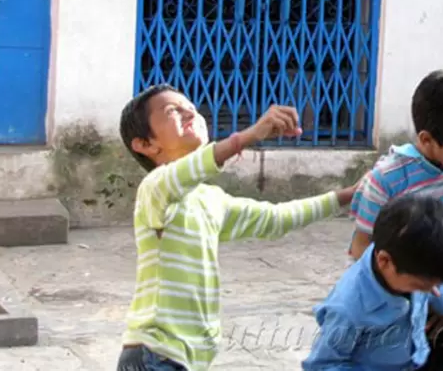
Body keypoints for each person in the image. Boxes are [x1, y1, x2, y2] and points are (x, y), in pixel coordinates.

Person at [115, 84, 358, 371]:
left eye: (189, 105)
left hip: (186, 360)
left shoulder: (211, 200)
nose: (189, 111)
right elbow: (192, 169)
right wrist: (248, 136)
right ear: (145, 144)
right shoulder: (154, 190)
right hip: (153, 354)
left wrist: (347, 195)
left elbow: (276, 218)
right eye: (172, 111)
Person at [347, 68, 443, 370]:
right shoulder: (386, 178)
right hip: (385, 315)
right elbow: (359, 248)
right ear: (427, 139)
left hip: (434, 314)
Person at [303, 194, 443, 370]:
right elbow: (322, 365)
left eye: (436, 284)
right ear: (384, 261)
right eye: (421, 287)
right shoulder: (348, 309)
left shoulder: (409, 264)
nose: (434, 291)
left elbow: (434, 289)